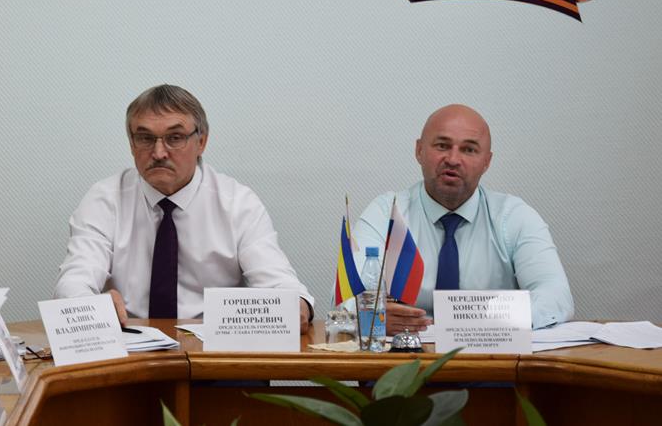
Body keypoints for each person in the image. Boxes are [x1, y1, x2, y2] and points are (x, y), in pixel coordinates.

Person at [54, 85, 314, 332]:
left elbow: (281, 288)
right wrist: (91, 307)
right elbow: (73, 282)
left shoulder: (237, 203)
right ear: (131, 144)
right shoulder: (104, 200)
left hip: (213, 352)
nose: (159, 153)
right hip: (129, 349)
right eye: (145, 138)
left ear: (201, 142)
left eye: (175, 138)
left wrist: (295, 306)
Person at [353, 104, 573, 333]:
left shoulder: (514, 216)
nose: (453, 159)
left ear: (487, 161)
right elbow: (346, 297)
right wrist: (372, 316)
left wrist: (478, 321)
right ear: (419, 151)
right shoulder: (386, 213)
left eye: (469, 150)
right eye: (442, 145)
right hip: (405, 350)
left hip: (489, 350)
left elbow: (556, 297)